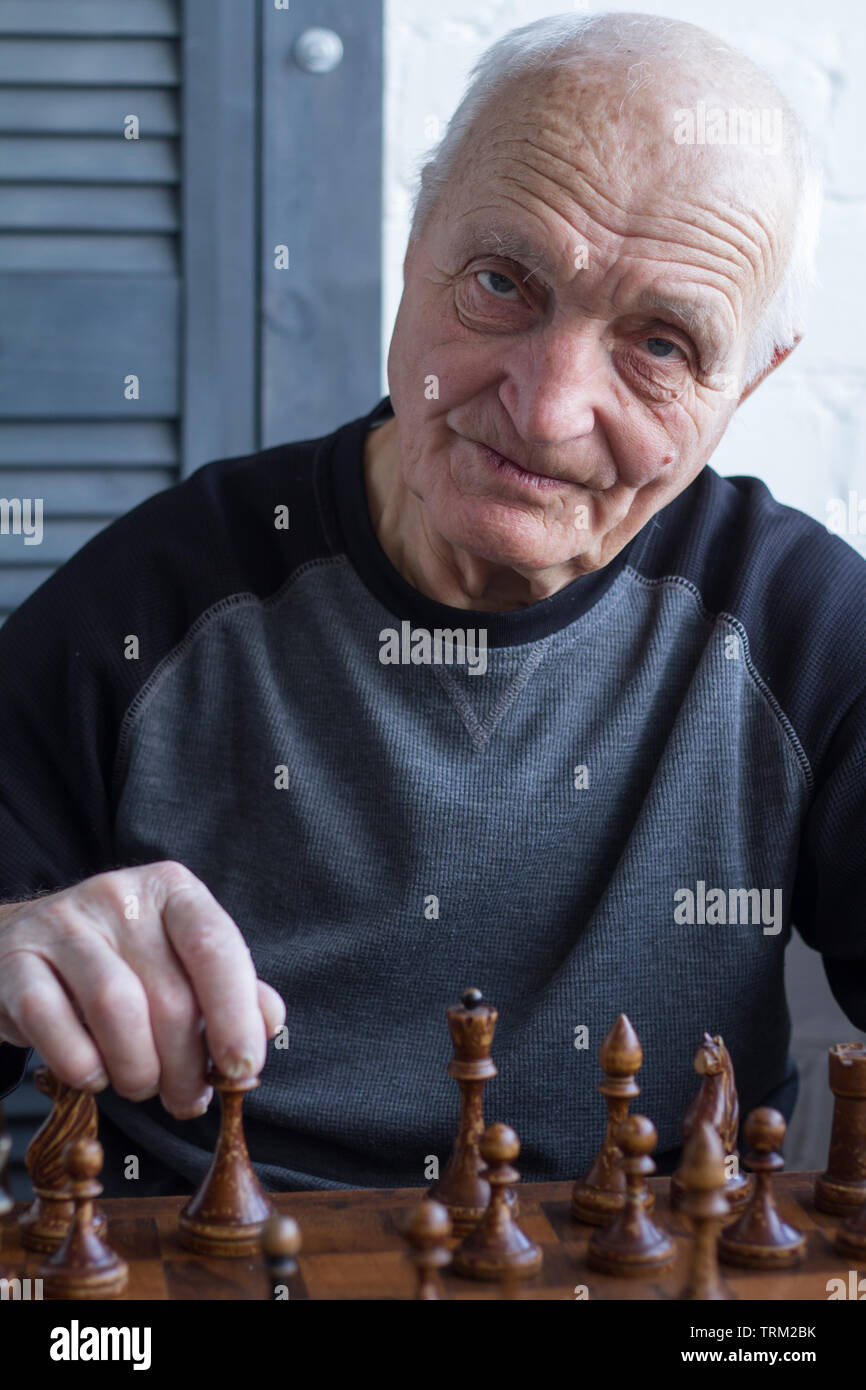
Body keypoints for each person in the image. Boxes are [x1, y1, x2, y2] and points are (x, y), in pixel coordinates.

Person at [0, 13, 863, 1197]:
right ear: (417, 240)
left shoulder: (805, 634)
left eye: (657, 345)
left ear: (749, 380)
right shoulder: (158, 596)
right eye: (502, 281)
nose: (548, 406)